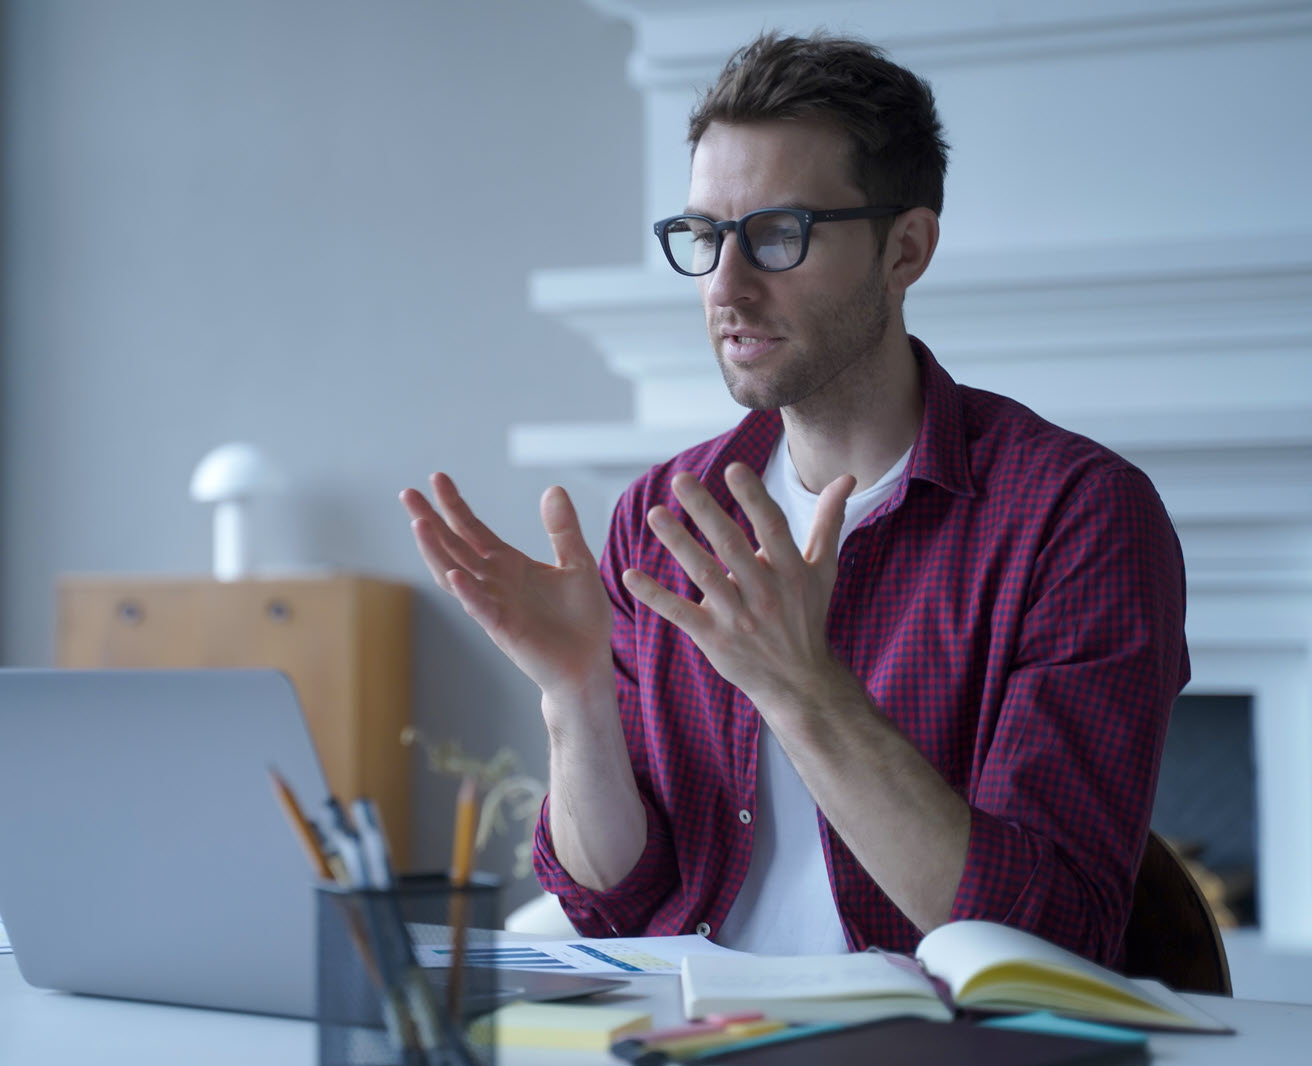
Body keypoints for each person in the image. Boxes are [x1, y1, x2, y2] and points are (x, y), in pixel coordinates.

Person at [399, 32, 1187, 966]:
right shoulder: (665, 517)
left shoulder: (1077, 519)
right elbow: (614, 904)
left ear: (907, 249)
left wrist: (801, 690)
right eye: (704, 236)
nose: (726, 287)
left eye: (778, 235)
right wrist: (574, 699)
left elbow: (1053, 937)